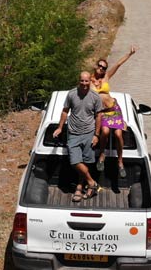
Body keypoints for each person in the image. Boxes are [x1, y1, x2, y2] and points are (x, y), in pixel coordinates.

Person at [52, 71, 103, 202]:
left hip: (89, 133)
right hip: (73, 133)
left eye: (87, 81)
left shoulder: (95, 97)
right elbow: (65, 111)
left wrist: (97, 135)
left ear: (90, 81)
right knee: (75, 161)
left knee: (86, 162)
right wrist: (59, 127)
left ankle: (79, 188)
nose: (84, 83)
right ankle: (92, 182)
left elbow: (98, 116)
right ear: (78, 81)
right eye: (82, 81)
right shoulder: (71, 94)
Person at [92, 45, 137, 177]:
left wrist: (129, 54)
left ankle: (120, 161)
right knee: (105, 132)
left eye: (104, 67)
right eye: (99, 66)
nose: (101, 69)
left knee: (118, 134)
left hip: (114, 108)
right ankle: (102, 155)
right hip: (103, 112)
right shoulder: (89, 80)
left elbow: (118, 64)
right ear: (96, 66)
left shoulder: (106, 77)